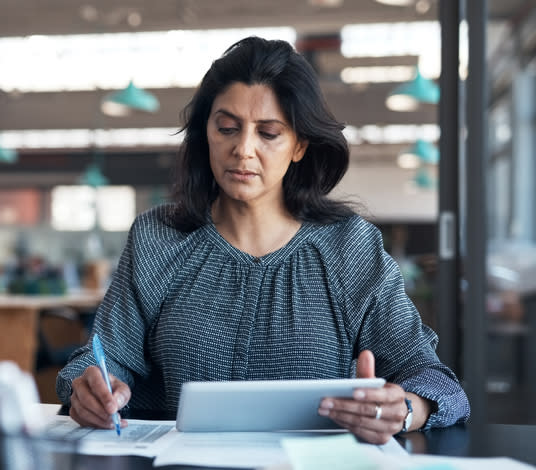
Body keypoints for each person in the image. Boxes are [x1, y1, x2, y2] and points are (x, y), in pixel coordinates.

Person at [56, 36, 470, 444]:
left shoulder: (349, 248)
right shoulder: (158, 239)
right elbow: (98, 361)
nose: (243, 149)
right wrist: (89, 389)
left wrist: (405, 411)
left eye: (268, 133)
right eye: (227, 128)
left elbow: (439, 384)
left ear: (299, 146)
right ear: (206, 133)